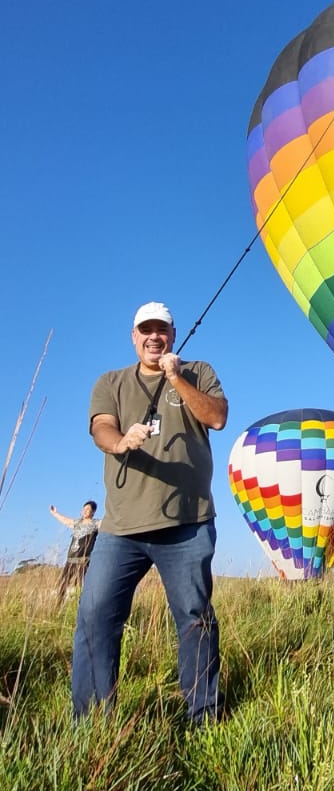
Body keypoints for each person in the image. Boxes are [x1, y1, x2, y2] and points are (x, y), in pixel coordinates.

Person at [71, 302, 228, 725]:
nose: (154, 337)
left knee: (194, 618)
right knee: (95, 616)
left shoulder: (199, 371)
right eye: (146, 330)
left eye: (162, 330)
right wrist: (121, 441)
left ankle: (204, 719)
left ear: (173, 335)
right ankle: (91, 723)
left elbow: (217, 418)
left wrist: (175, 376)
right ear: (133, 336)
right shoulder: (111, 382)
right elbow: (101, 427)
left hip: (188, 524)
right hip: (121, 528)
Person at [50, 499, 99, 604]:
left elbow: (109, 523)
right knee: (63, 583)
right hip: (71, 560)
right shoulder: (78, 523)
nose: (85, 511)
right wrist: (55, 513)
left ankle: (84, 605)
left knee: (85, 585)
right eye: (84, 509)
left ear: (93, 512)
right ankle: (59, 603)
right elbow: (66, 521)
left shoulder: (96, 524)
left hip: (84, 561)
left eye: (88, 509)